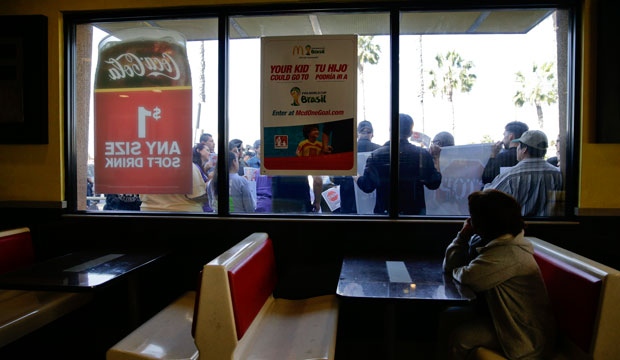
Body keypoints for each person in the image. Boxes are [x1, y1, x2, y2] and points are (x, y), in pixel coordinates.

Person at [442, 189, 556, 359]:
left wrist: (458, 264)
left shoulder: (509, 253)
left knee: (461, 337)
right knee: (450, 316)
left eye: (473, 218)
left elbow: (467, 277)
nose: (470, 222)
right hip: (505, 320)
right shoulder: (498, 244)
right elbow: (451, 267)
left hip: (524, 336)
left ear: (485, 222)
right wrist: (463, 239)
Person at [356, 113, 441, 215]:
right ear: (410, 133)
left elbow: (367, 186)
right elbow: (434, 183)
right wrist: (436, 158)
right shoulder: (421, 154)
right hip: (414, 217)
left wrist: (353, 173)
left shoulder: (376, 155)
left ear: (390, 130)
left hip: (384, 216)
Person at [484, 130, 562, 216]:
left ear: (524, 149)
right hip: (550, 227)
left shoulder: (510, 176)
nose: (517, 148)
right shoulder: (558, 174)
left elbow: (486, 197)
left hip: (519, 227)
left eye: (518, 145)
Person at [333, 120, 381, 213]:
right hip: (372, 200)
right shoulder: (379, 150)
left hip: (349, 200)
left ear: (356, 134)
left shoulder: (345, 151)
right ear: (372, 134)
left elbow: (336, 180)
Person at [193, 143, 214, 212]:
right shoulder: (195, 167)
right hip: (204, 208)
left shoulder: (200, 167)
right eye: (207, 150)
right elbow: (199, 189)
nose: (209, 153)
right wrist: (210, 180)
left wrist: (205, 170)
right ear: (198, 150)